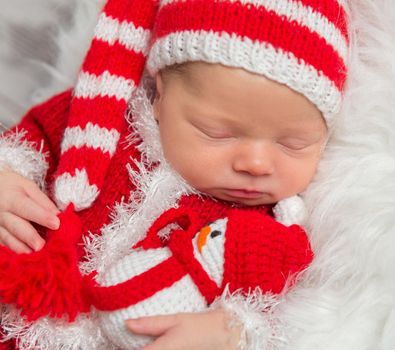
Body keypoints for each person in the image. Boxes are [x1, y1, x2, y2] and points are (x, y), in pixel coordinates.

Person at [0, 0, 348, 349]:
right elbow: (28, 142)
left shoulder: (268, 233)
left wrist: (232, 332)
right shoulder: (102, 116)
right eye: (218, 132)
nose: (256, 164)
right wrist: (7, 178)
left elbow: (287, 314)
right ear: (159, 95)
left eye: (292, 144)